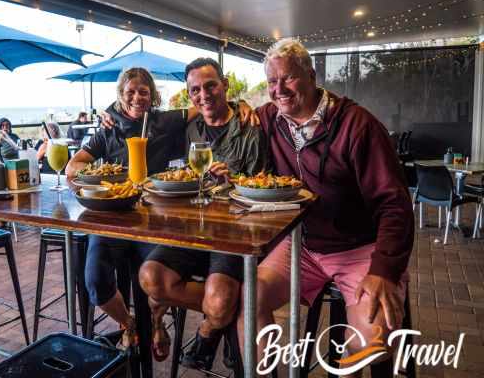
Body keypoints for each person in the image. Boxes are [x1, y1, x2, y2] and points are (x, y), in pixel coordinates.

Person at [240, 39, 414, 374]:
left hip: (360, 248)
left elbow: (395, 203)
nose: (279, 90)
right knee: (250, 299)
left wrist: (384, 269)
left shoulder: (357, 125)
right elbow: (222, 118)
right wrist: (232, 108)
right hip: (302, 246)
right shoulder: (268, 120)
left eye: (288, 78)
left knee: (373, 341)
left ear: (311, 75)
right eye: (271, 82)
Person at [65, 67, 257, 349]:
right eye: (130, 91)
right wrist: (107, 179)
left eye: (144, 91)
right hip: (113, 219)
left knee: (159, 275)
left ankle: (155, 320)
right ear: (120, 94)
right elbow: (73, 166)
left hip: (152, 219)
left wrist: (239, 103)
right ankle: (129, 323)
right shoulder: (109, 128)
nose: (137, 97)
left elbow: (204, 104)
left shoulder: (164, 121)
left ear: (152, 96)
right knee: (95, 281)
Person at [139, 58, 268, 369]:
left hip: (234, 231)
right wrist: (109, 116)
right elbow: (139, 117)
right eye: (195, 89)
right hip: (194, 227)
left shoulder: (249, 126)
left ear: (224, 86)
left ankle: (210, 328)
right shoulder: (191, 128)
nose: (204, 94)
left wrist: (233, 183)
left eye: (211, 85)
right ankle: (227, 313)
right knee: (150, 277)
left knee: (219, 299)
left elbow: (261, 186)